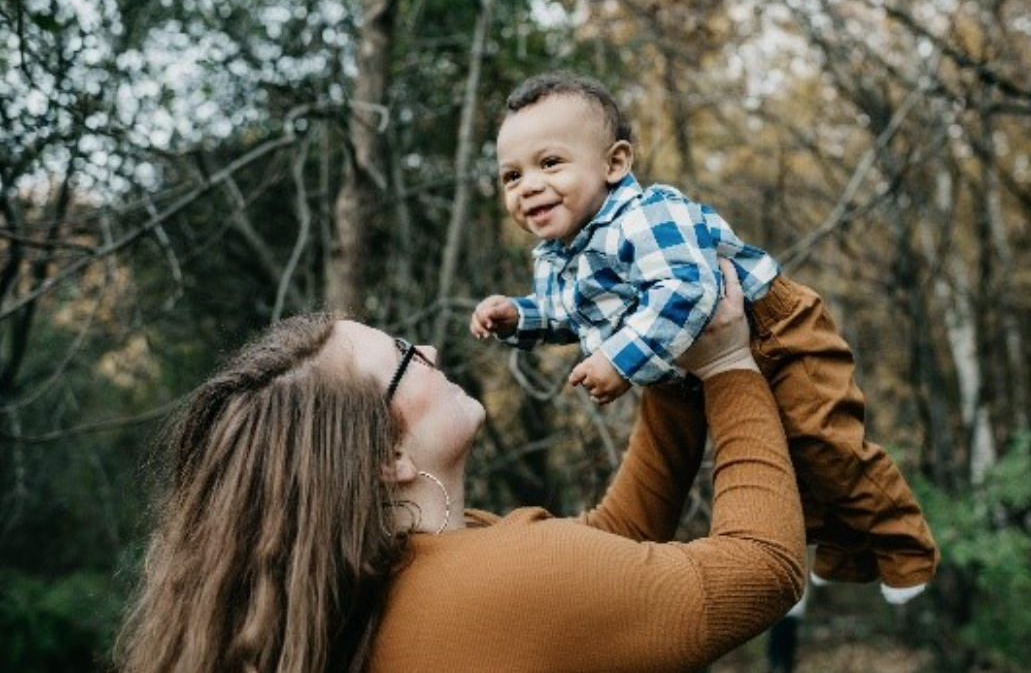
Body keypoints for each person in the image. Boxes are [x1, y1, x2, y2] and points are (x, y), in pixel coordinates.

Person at [115, 262, 807, 673]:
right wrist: (726, 364)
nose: (430, 352)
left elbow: (614, 545)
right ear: (386, 458)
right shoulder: (503, 582)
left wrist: (663, 349)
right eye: (402, 359)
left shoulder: (375, 584)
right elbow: (765, 567)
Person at [470, 71, 937, 598]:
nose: (528, 185)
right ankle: (848, 547)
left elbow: (687, 291)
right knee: (785, 458)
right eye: (511, 176)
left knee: (821, 440)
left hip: (777, 333)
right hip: (690, 362)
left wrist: (618, 362)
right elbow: (568, 317)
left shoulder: (645, 217)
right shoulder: (558, 259)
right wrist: (519, 316)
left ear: (615, 163)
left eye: (550, 163)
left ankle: (906, 542)